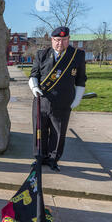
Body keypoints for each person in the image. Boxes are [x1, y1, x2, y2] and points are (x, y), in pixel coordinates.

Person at [29, 26, 87, 171]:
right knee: (39, 130)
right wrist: (34, 86)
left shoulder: (77, 56)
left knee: (58, 133)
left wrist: (77, 99)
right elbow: (34, 74)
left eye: (63, 40)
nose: (60, 43)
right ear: (52, 40)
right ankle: (39, 158)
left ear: (68, 40)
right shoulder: (42, 54)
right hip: (41, 100)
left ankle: (53, 159)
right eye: (57, 40)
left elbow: (80, 80)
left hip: (63, 102)